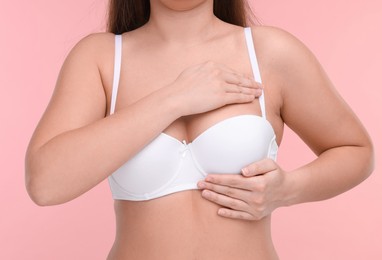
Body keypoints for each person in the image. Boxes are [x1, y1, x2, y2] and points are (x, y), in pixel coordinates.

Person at [24, 0, 375, 259]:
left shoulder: (270, 52)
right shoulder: (101, 58)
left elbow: (356, 150)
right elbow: (46, 183)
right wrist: (174, 98)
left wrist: (289, 189)